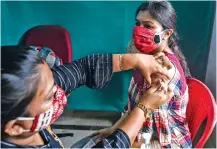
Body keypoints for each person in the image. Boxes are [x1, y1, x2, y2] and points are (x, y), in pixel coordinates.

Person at [1, 45, 172, 148]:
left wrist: (136, 60)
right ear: (15, 127)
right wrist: (144, 108)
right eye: (48, 97)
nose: (58, 92)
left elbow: (82, 69)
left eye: (54, 81)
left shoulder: (34, 88)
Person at [93, 1, 192, 148]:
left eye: (148, 26)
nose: (140, 30)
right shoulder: (147, 60)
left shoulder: (161, 71)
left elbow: (157, 136)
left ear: (167, 34)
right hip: (146, 134)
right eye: (138, 24)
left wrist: (121, 142)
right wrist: (113, 130)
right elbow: (135, 109)